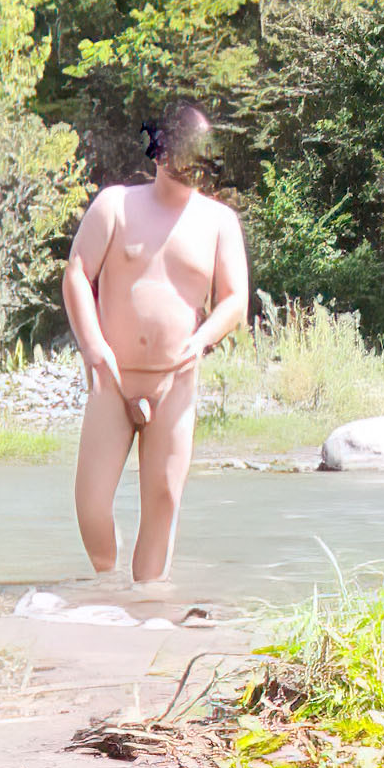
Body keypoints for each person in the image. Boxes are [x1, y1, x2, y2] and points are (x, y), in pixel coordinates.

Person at [61, 101, 249, 588]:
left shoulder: (219, 222)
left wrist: (203, 338)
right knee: (91, 505)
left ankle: (147, 609)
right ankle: (105, 585)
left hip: (175, 385)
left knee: (164, 499)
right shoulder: (116, 205)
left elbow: (234, 301)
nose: (187, 167)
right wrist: (92, 346)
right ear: (158, 151)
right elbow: (78, 273)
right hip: (112, 380)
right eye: (179, 154)